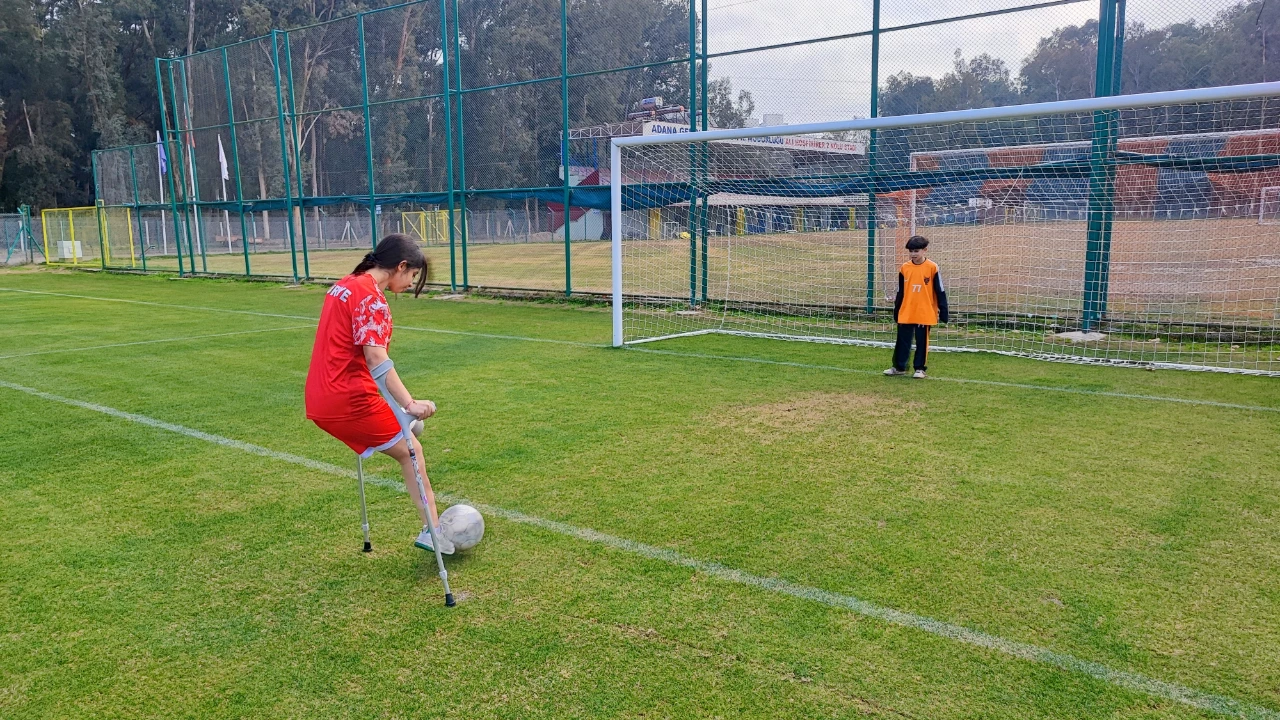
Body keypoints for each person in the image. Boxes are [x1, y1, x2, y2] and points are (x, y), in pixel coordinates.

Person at [305, 234, 453, 554]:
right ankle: (434, 531)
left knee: (411, 430)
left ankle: (432, 526)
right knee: (411, 451)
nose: (412, 282)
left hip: (320, 394)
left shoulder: (346, 284)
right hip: (348, 398)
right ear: (400, 266)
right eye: (412, 275)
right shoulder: (372, 298)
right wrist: (410, 403)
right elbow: (376, 359)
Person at [885, 235, 948, 379]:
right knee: (902, 340)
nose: (913, 254)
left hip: (924, 312)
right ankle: (899, 367)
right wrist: (897, 309)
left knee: (922, 342)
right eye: (911, 251)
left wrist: (944, 310)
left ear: (924, 250)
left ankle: (920, 368)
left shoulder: (932, 267)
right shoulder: (904, 268)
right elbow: (900, 291)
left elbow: (940, 290)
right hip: (906, 310)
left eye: (916, 251)